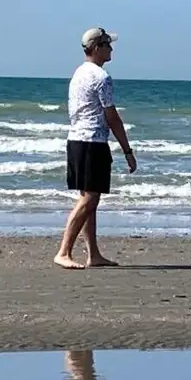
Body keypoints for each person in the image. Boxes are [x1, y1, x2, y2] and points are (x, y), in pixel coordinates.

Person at [54, 27, 137, 269]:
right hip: (91, 142)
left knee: (90, 198)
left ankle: (94, 254)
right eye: (108, 44)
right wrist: (127, 151)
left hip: (77, 141)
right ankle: (63, 251)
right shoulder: (101, 78)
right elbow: (112, 117)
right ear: (97, 48)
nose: (111, 49)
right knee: (90, 198)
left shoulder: (79, 73)